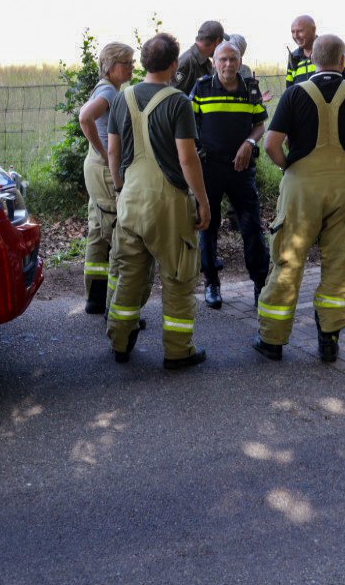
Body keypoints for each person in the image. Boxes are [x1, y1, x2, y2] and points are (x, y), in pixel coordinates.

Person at [255, 35, 345, 363]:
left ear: (312, 59)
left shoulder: (294, 94)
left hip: (301, 187)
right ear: (344, 60)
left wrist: (290, 166)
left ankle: (272, 341)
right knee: (341, 261)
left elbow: (271, 144)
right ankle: (329, 339)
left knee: (288, 259)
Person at [107, 33, 213, 369]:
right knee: (179, 277)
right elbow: (187, 158)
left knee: (129, 275)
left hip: (131, 198)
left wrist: (121, 185)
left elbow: (113, 149)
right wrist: (203, 200)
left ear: (142, 63)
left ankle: (120, 342)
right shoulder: (178, 101)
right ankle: (178, 351)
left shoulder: (122, 97)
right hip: (168, 203)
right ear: (173, 65)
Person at [190, 41, 270, 310]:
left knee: (251, 227)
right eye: (222, 59)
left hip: (241, 169)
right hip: (209, 169)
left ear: (240, 60)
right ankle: (212, 282)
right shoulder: (202, 87)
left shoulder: (250, 88)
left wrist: (249, 143)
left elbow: (259, 124)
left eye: (232, 59)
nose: (228, 64)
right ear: (214, 61)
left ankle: (260, 284)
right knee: (208, 226)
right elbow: (189, 124)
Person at [77, 42, 135, 314]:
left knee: (98, 233)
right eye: (127, 63)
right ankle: (115, 307)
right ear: (112, 67)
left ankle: (95, 299)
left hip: (95, 167)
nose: (133, 67)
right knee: (117, 235)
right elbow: (85, 117)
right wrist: (103, 151)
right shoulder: (109, 91)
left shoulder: (108, 89)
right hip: (104, 169)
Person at [285, 15, 345, 89]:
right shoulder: (293, 57)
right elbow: (289, 89)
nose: (296, 36)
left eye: (300, 31)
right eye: (293, 32)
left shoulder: (334, 48)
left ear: (313, 30)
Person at [173, 20, 225, 92]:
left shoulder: (206, 61)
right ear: (217, 41)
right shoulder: (187, 62)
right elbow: (172, 97)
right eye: (221, 42)